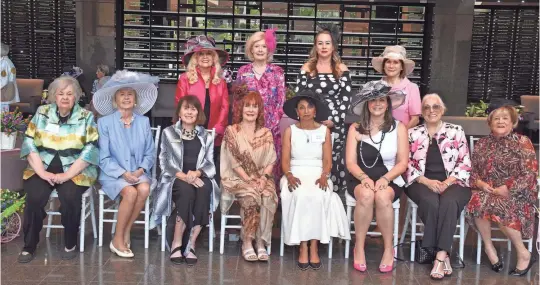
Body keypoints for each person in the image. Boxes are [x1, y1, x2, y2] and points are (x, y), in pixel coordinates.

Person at [17, 76, 99, 263]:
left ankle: (70, 242)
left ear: (77, 97)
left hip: (75, 169)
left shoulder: (86, 117)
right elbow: (29, 143)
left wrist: (67, 175)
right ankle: (29, 245)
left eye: (70, 94)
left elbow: (90, 150)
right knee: (35, 198)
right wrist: (42, 173)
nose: (64, 97)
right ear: (53, 95)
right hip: (42, 166)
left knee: (70, 198)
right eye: (60, 93)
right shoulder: (42, 112)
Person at [280, 89, 350, 270]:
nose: (305, 111)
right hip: (294, 171)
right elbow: (285, 160)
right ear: (296, 112)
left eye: (309, 107)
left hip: (319, 173)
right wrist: (289, 175)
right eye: (301, 108)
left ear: (315, 111)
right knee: (300, 194)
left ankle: (314, 246)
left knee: (319, 195)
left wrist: (325, 176)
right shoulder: (290, 131)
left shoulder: (324, 130)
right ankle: (302, 245)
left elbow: (328, 160)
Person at [466, 102, 538, 276]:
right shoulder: (482, 144)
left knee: (501, 205)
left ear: (512, 122)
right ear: (490, 122)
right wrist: (481, 184)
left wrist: (508, 188)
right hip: (488, 191)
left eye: (505, 118)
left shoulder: (523, 142)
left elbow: (530, 173)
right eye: (496, 118)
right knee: (477, 200)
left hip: (517, 193)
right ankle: (489, 247)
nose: (500, 121)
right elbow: (471, 172)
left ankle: (523, 253)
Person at [405, 93, 472, 280]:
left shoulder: (456, 131)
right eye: (426, 107)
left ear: (442, 110)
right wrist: (426, 181)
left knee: (449, 203)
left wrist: (447, 182)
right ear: (421, 112)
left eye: (435, 107)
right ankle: (444, 254)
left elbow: (465, 162)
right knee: (431, 202)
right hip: (421, 182)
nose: (431, 110)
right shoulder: (412, 134)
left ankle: (440, 255)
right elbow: (405, 163)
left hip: (454, 181)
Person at [93, 70, 158, 258]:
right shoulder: (104, 123)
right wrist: (123, 173)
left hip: (138, 171)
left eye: (130, 94)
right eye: (122, 94)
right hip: (113, 173)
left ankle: (124, 232)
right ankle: (117, 238)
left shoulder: (144, 122)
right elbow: (103, 157)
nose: (127, 97)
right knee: (130, 192)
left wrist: (140, 170)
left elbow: (150, 152)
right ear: (115, 99)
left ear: (136, 99)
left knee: (144, 189)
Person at [345, 80, 408, 273]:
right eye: (373, 101)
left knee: (381, 196)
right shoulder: (355, 128)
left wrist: (385, 179)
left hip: (390, 178)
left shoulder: (399, 128)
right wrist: (364, 178)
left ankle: (389, 248)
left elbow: (403, 163)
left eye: (381, 100)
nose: (377, 104)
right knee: (365, 195)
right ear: (367, 105)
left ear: (388, 103)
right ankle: (359, 247)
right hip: (359, 177)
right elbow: (350, 163)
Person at [151, 95, 220, 266]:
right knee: (187, 191)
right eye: (186, 108)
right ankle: (176, 241)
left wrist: (196, 173)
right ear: (179, 112)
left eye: (193, 108)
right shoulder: (169, 133)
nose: (189, 112)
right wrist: (185, 177)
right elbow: (164, 162)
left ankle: (191, 243)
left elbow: (211, 165)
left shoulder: (206, 135)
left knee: (204, 191)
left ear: (198, 113)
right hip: (175, 178)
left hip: (198, 177)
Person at [295, 23, 353, 192]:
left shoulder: (342, 69)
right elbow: (300, 97)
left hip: (335, 125)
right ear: (315, 46)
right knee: (313, 159)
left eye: (327, 43)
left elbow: (346, 99)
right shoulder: (307, 69)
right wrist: (314, 120)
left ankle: (331, 200)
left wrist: (333, 121)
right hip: (310, 122)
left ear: (333, 46)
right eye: (320, 43)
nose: (324, 46)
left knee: (332, 161)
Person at [220, 89, 277, 262]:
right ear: (241, 108)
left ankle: (260, 243)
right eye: (247, 106)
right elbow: (233, 162)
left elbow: (271, 160)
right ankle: (247, 241)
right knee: (252, 196)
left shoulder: (266, 133)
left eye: (255, 107)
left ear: (259, 111)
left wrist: (263, 179)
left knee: (268, 195)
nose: (251, 110)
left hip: (261, 178)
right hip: (237, 178)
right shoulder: (232, 131)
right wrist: (249, 180)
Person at [175, 35, 229, 184]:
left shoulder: (221, 81)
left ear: (214, 58)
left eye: (209, 54)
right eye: (201, 54)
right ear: (195, 58)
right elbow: (180, 105)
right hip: (189, 130)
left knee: (208, 167)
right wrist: (188, 127)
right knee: (189, 165)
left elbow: (225, 106)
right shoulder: (185, 79)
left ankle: (206, 201)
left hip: (213, 132)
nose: (205, 57)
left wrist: (218, 128)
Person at [236, 29, 286, 181]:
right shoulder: (243, 71)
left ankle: (271, 201)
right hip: (248, 128)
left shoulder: (277, 72)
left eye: (264, 46)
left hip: (271, 129)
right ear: (251, 49)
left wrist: (270, 127)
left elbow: (281, 101)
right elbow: (238, 101)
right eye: (256, 46)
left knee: (270, 168)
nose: (260, 50)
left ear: (269, 49)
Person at [372, 45, 421, 129]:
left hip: (401, 138)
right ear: (383, 65)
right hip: (377, 136)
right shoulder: (375, 87)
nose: (391, 66)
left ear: (402, 66)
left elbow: (415, 119)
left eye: (396, 62)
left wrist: (400, 135)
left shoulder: (412, 88)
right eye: (388, 62)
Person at [0, 42, 19, 111]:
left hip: (3, 90)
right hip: (6, 89)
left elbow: (4, 80)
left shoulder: (4, 63)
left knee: (2, 113)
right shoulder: (7, 61)